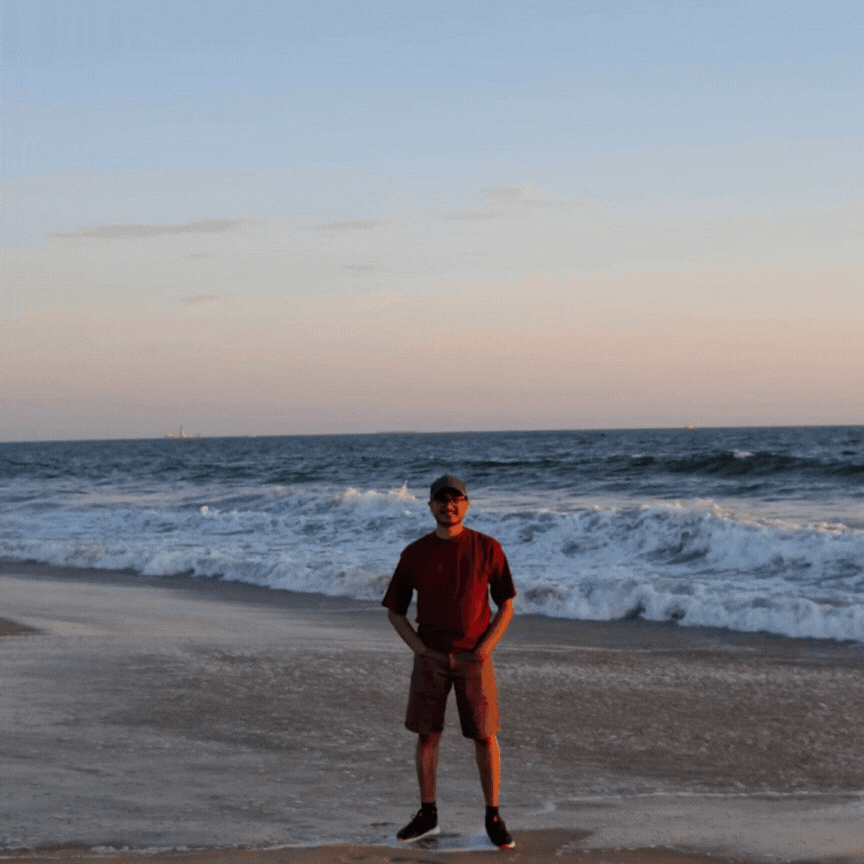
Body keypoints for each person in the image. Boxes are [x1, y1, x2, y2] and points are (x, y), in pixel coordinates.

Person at [381, 474, 517, 849]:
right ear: (430, 507)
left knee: (486, 736)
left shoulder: (488, 548)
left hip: (475, 656)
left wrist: (486, 646)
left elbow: (506, 604)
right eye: (440, 500)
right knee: (427, 735)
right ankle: (428, 814)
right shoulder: (415, 553)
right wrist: (420, 650)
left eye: (456, 499)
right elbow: (395, 610)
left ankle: (492, 815)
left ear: (467, 504)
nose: (448, 505)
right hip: (432, 658)